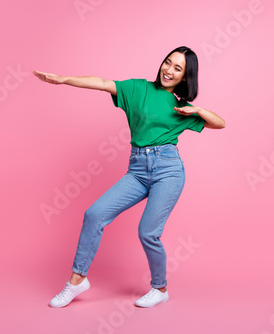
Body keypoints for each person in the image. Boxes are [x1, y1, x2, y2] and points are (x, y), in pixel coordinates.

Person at [33, 46, 225, 308]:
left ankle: (160, 288)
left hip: (168, 170)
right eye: (168, 63)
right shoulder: (138, 89)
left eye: (177, 68)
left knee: (148, 232)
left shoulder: (182, 108)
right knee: (94, 214)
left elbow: (219, 122)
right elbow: (102, 83)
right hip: (137, 169)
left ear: (185, 77)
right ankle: (77, 281)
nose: (169, 70)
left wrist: (197, 110)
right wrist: (64, 79)